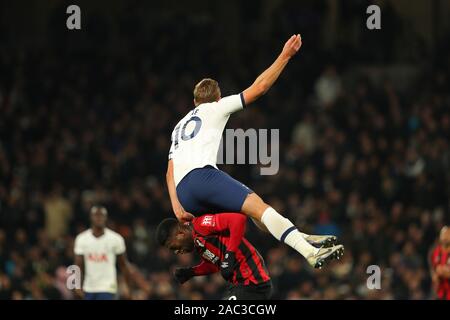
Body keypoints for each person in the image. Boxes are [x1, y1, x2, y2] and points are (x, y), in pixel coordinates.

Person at [166, 34, 343, 268]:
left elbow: (169, 173)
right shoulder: (215, 108)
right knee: (259, 208)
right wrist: (285, 55)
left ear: (194, 101)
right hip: (202, 177)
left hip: (184, 195)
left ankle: (299, 238)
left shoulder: (179, 126)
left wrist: (177, 207)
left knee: (253, 210)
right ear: (217, 97)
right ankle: (309, 251)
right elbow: (259, 87)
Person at [156, 213, 274, 300]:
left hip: (253, 281)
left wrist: (229, 255)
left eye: (173, 247)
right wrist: (191, 272)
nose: (176, 252)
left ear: (180, 234)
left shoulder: (200, 225)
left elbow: (238, 219)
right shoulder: (197, 243)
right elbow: (214, 264)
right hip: (240, 285)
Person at [74, 206, 148, 300]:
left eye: (102, 215)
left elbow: (123, 265)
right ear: (91, 217)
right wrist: (76, 286)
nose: (99, 218)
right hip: (88, 287)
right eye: (96, 215)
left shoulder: (116, 239)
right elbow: (77, 265)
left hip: (108, 287)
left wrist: (129, 289)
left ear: (106, 217)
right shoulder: (81, 239)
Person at [430, 226, 450, 300]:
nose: (445, 237)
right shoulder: (435, 251)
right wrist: (435, 275)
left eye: (447, 234)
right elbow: (433, 269)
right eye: (443, 235)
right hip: (440, 294)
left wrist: (445, 272)